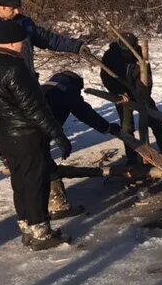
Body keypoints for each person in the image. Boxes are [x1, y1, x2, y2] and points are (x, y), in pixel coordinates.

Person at [0, 21, 72, 250]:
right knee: (35, 182)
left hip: (3, 134)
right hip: (27, 135)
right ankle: (41, 232)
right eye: (23, 43)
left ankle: (26, 227)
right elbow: (35, 108)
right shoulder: (15, 68)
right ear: (12, 42)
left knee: (19, 181)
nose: (25, 47)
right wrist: (58, 135)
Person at [0, 0, 86, 169]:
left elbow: (48, 39)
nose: (18, 12)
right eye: (13, 9)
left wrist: (76, 46)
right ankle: (6, 155)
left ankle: (35, 152)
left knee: (30, 118)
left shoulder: (24, 23)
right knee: (0, 121)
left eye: (19, 8)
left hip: (23, 79)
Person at [42, 71, 121, 218]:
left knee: (34, 167)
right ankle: (59, 206)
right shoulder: (66, 90)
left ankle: (32, 210)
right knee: (46, 166)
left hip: (19, 133)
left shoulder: (48, 86)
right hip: (39, 131)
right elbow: (85, 113)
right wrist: (107, 128)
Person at [100, 33, 162, 164]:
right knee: (127, 127)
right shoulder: (110, 56)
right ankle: (131, 157)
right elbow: (106, 78)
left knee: (156, 121)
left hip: (140, 91)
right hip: (121, 94)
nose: (128, 54)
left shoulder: (140, 53)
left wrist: (145, 93)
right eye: (126, 51)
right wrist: (118, 92)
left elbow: (148, 76)